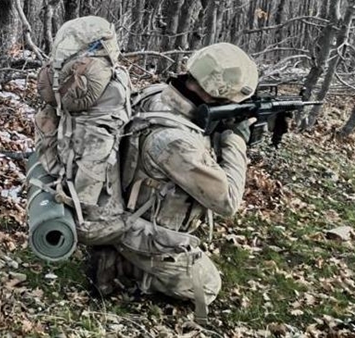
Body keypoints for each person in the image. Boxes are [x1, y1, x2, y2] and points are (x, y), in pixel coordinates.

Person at [88, 42, 258, 322]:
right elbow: (227, 202)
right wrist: (236, 140)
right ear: (219, 93)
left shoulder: (157, 94)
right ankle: (121, 265)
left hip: (126, 207)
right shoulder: (177, 142)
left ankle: (120, 251)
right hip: (143, 231)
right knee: (208, 286)